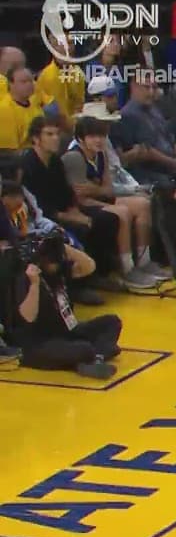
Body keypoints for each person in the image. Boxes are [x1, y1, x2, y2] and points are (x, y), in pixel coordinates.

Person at [62, 117, 164, 286]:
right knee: (123, 212)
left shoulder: (101, 154)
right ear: (81, 138)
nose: (98, 140)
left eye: (101, 136)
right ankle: (127, 269)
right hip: (79, 206)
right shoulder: (74, 157)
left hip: (98, 199)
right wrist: (102, 194)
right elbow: (80, 198)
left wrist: (95, 189)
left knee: (143, 204)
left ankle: (144, 261)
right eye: (92, 136)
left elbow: (108, 189)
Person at [9, 233, 118, 379]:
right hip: (37, 343)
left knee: (112, 322)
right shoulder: (26, 277)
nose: (55, 265)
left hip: (65, 330)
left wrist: (65, 247)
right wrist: (34, 284)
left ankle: (95, 358)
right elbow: (27, 317)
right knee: (84, 348)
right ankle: (92, 355)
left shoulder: (59, 269)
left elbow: (89, 266)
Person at [0, 67, 51, 151]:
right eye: (23, 82)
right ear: (10, 84)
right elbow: (8, 152)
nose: (29, 85)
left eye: (31, 81)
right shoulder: (4, 110)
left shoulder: (34, 105)